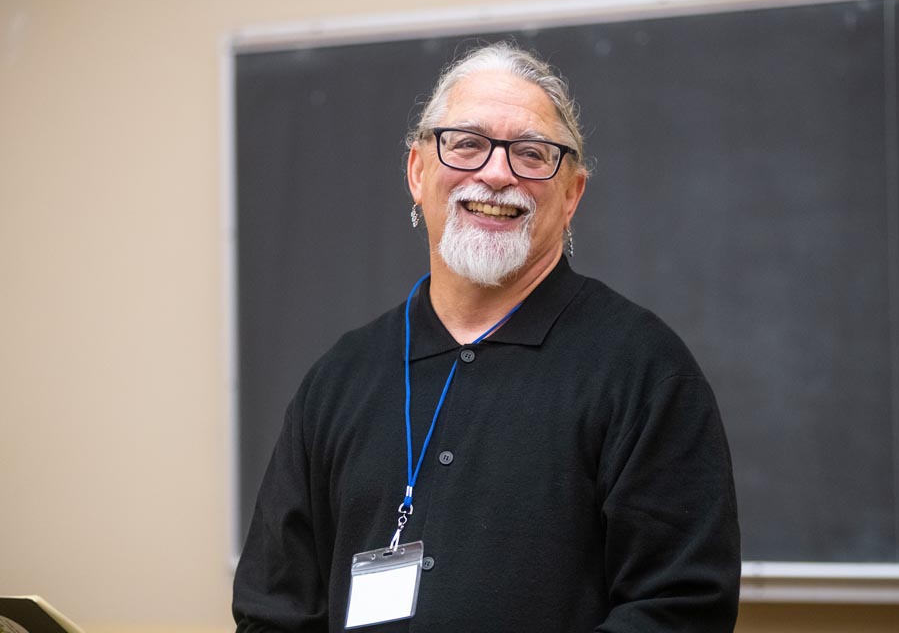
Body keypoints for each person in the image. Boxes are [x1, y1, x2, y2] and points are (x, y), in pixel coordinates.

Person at [233, 42, 740, 632]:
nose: (497, 173)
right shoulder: (338, 378)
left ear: (572, 193)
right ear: (417, 172)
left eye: (532, 153)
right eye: (467, 143)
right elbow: (274, 611)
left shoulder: (644, 371)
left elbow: (679, 612)